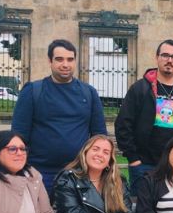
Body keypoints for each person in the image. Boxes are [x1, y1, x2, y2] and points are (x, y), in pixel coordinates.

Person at [12, 39, 107, 194]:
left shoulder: (89, 93)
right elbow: (19, 134)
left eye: (70, 59)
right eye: (59, 59)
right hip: (39, 173)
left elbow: (99, 134)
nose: (65, 64)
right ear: (50, 61)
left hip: (78, 173)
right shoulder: (33, 91)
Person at [115, 39, 173, 194]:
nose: (169, 60)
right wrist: (133, 158)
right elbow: (123, 124)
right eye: (165, 55)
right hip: (144, 165)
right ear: (157, 57)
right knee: (142, 207)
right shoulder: (140, 89)